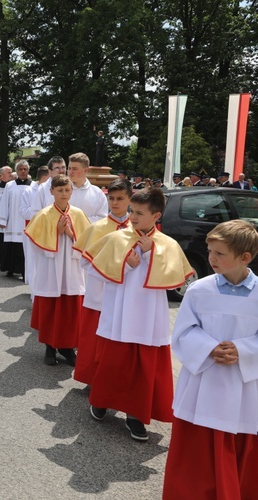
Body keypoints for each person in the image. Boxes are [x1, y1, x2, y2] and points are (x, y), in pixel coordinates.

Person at [83, 188, 193, 441]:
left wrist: (151, 254)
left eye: (140, 213)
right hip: (118, 313)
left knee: (142, 367)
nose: (132, 217)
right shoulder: (116, 238)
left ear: (156, 216)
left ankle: (135, 415)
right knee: (113, 362)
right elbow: (91, 267)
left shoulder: (167, 245)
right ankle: (101, 401)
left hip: (147, 318)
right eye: (132, 211)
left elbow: (175, 284)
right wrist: (126, 265)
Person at [163, 220, 258, 498]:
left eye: (220, 253)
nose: (211, 258)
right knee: (196, 454)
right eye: (210, 251)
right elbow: (183, 332)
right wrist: (208, 348)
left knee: (241, 448)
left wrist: (244, 350)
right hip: (203, 384)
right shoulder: (199, 290)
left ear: (245, 258)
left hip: (246, 389)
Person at [25, 174, 90, 366]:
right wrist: (56, 233)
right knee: (51, 308)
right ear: (51, 191)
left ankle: (68, 348)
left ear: (72, 191)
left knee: (70, 309)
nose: (63, 194)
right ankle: (50, 347)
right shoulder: (44, 215)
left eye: (67, 190)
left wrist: (70, 233)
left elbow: (87, 244)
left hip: (71, 269)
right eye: (59, 190)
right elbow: (35, 245)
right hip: (50, 269)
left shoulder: (78, 214)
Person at [71, 179, 131, 385]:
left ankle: (115, 379)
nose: (115, 203)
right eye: (111, 198)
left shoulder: (138, 228)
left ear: (130, 200)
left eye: (120, 198)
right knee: (94, 339)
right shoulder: (97, 228)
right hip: (100, 294)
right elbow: (84, 263)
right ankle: (92, 378)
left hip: (128, 296)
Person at [0, 160, 32, 278]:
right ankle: (10, 268)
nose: (23, 171)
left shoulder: (34, 186)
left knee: (25, 246)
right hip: (13, 221)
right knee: (11, 245)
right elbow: (4, 203)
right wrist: (2, 220)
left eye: (25, 169)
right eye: (20, 169)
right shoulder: (10, 185)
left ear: (28, 170)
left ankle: (24, 271)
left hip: (27, 222)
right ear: (16, 171)